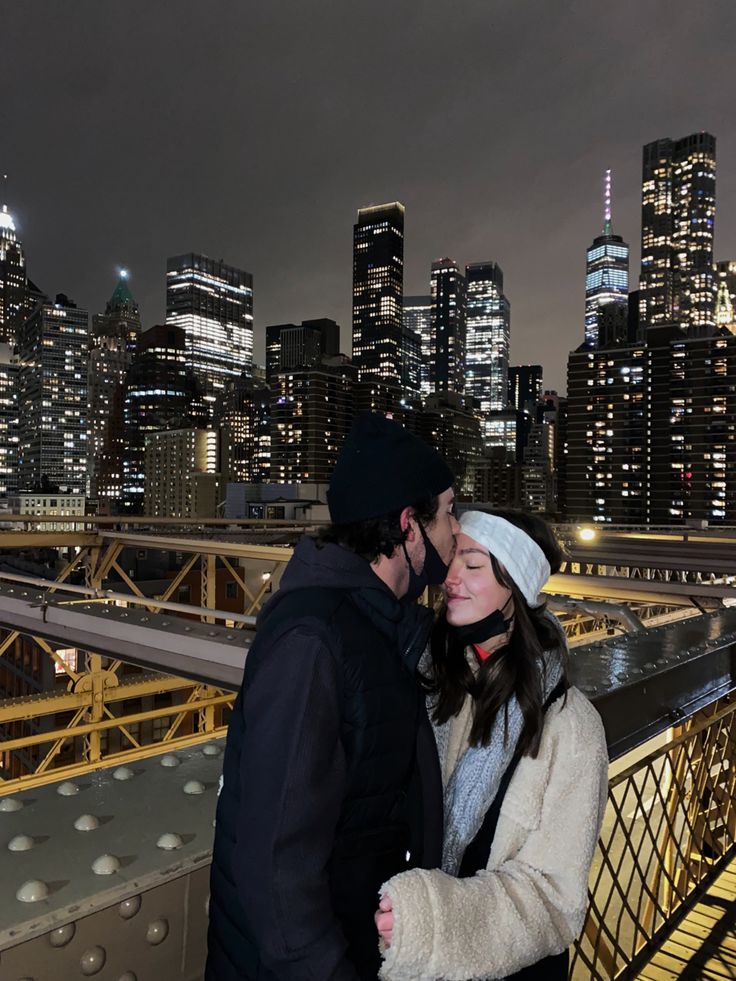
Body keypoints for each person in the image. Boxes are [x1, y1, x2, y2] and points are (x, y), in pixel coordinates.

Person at [206, 413, 459, 981]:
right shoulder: (314, 641)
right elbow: (276, 865)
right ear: (407, 527)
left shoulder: (378, 627)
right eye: (447, 514)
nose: (456, 533)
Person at [376, 509, 609, 981]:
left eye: (473, 564)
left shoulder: (571, 726)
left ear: (515, 588)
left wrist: (434, 921)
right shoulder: (433, 677)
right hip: (406, 952)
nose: (450, 578)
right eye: (452, 560)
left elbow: (553, 898)